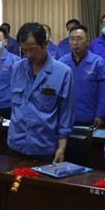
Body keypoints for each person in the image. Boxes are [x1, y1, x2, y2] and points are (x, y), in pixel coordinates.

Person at [7, 22, 74, 163]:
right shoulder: (16, 69)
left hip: (44, 147)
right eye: (24, 50)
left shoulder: (63, 72)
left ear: (45, 44)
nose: (28, 55)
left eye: (32, 49)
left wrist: (61, 148)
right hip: (16, 144)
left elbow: (66, 113)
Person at [58, 25, 105, 128]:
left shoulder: (97, 62)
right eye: (71, 39)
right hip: (66, 117)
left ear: (88, 41)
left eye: (79, 39)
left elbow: (104, 91)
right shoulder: (62, 62)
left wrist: (101, 115)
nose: (75, 43)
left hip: (90, 117)